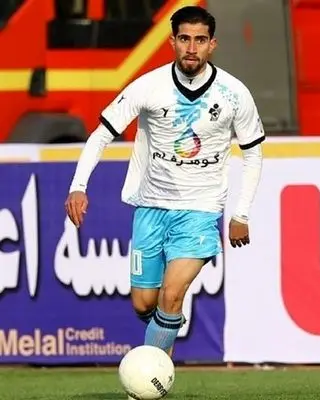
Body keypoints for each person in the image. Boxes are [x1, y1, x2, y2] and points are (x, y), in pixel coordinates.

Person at [64, 6, 264, 359]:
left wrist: (241, 213)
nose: (192, 48)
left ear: (212, 44)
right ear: (172, 42)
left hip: (200, 210)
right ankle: (165, 337)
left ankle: (151, 374)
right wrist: (78, 186)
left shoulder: (234, 93)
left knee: (172, 295)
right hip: (151, 207)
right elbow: (101, 135)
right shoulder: (148, 86)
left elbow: (253, 154)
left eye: (200, 40)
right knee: (144, 303)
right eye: (184, 39)